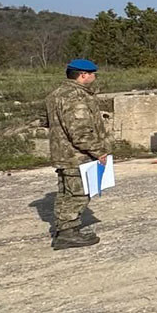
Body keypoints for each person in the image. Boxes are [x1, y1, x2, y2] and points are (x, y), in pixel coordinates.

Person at [44, 58, 111, 250]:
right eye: (92, 74)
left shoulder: (55, 94)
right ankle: (67, 234)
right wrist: (99, 151)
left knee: (66, 193)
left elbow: (46, 121)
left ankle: (65, 230)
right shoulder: (76, 97)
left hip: (63, 153)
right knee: (78, 194)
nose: (94, 77)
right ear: (83, 75)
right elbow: (80, 131)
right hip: (77, 156)